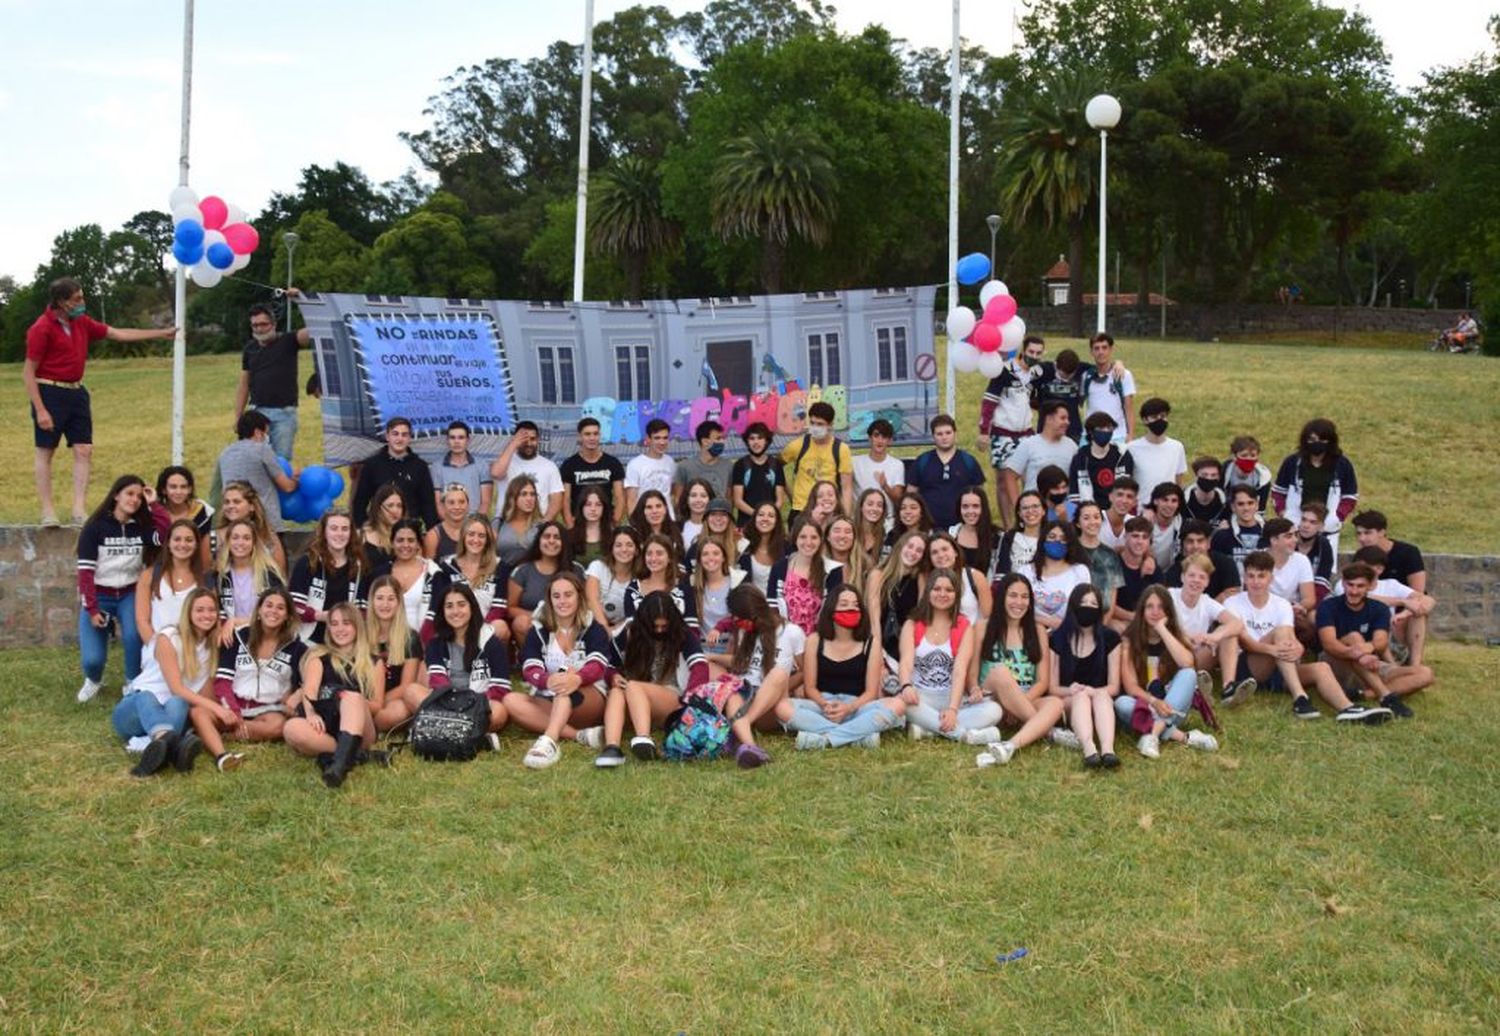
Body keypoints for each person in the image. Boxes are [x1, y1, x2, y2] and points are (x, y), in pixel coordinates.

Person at [24, 276, 175, 525]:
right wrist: (41, 409)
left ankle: (78, 509)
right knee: (45, 452)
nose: (82, 302)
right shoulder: (41, 328)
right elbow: (28, 371)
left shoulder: (81, 322)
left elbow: (117, 333)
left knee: (84, 449)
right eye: (77, 299)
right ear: (62, 302)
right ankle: (48, 511)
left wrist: (160, 333)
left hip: (76, 392)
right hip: (50, 392)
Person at [1223, 551, 1391, 723]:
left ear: (1270, 579)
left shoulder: (1281, 604)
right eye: (1251, 576)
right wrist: (1273, 649)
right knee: (1279, 632)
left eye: (1261, 576)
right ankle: (1300, 698)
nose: (1256, 582)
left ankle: (1347, 708)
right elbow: (1245, 642)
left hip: (1281, 666)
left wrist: (1298, 648)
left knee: (1322, 667)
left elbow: (1290, 636)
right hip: (1251, 666)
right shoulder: (1232, 603)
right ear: (1244, 578)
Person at [511, 572, 616, 769]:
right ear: (549, 600)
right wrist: (547, 680)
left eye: (568, 595)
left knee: (565, 684)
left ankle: (548, 742)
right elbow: (530, 667)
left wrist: (576, 678)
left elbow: (597, 665)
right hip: (549, 697)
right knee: (511, 701)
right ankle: (580, 735)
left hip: (587, 696)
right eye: (556, 596)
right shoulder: (539, 628)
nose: (562, 601)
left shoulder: (593, 627)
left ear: (579, 596)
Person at [112, 587, 220, 777]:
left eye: (211, 610)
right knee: (147, 696)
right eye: (200, 610)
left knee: (179, 703)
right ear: (189, 612)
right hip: (134, 712)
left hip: (170, 713)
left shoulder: (211, 649)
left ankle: (159, 752)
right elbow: (176, 688)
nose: (207, 615)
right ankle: (173, 745)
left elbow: (201, 695)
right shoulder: (169, 636)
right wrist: (218, 709)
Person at [779, 587, 905, 750]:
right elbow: (810, 688)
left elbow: (871, 693)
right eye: (844, 604)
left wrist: (848, 708)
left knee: (898, 705)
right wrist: (826, 705)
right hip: (823, 706)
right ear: (831, 609)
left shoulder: (870, 643)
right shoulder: (814, 640)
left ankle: (824, 740)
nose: (850, 609)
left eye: (855, 605)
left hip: (857, 707)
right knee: (782, 706)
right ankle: (857, 737)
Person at [196, 587, 308, 771]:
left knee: (278, 726)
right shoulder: (237, 637)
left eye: (280, 608)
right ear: (259, 610)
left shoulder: (297, 648)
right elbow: (223, 681)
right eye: (268, 605)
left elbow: (305, 683)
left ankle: (218, 736)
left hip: (268, 710)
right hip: (232, 706)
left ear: (288, 615)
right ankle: (222, 751)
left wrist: (296, 694)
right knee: (199, 713)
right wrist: (232, 712)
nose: (273, 611)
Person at [971, 574, 1075, 767]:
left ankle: (1009, 746)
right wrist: (974, 689)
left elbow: (1043, 681)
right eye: (1013, 595)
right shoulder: (982, 627)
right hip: (994, 701)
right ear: (1002, 597)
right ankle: (1049, 731)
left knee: (1054, 703)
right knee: (1001, 671)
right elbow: (973, 671)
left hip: (1027, 699)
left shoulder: (1038, 631)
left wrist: (1018, 704)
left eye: (1024, 597)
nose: (1019, 602)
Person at [596, 592, 709, 765]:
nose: (659, 631)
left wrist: (690, 699)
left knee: (633, 686)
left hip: (671, 700)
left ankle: (643, 738)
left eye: (664, 627)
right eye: (654, 627)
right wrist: (614, 677)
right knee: (617, 691)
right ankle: (612, 748)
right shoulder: (629, 633)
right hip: (635, 698)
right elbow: (609, 665)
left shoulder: (683, 634)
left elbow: (700, 667)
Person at [283, 602, 384, 788]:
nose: (340, 629)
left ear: (356, 626)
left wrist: (351, 704)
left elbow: (377, 705)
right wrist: (312, 714)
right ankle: (356, 756)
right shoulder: (319, 657)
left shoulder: (374, 662)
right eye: (334, 624)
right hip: (327, 726)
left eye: (346, 623)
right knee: (291, 728)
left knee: (351, 697)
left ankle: (338, 767)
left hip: (361, 729)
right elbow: (310, 691)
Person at [1316, 562, 1434, 719]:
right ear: (1343, 583)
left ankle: (1364, 694)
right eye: (1350, 585)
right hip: (1337, 663)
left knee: (1426, 673)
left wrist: (1367, 649)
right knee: (1353, 637)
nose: (1354, 591)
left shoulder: (1379, 608)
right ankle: (1387, 697)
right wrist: (1357, 653)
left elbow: (1381, 642)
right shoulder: (1328, 606)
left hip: (1369, 664)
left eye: (1360, 586)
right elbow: (1329, 644)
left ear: (1370, 587)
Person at [700, 583, 798, 767]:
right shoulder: (748, 631)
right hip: (745, 693)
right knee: (728, 687)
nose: (736, 620)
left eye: (739, 616)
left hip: (768, 701)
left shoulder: (791, 632)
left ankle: (736, 730)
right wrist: (712, 657)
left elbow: (803, 674)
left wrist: (780, 688)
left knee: (777, 674)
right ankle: (750, 748)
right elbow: (741, 662)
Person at [1117, 587, 1219, 759]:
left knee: (1189, 674)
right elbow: (1131, 687)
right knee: (1121, 703)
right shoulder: (1128, 640)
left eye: (1161, 607)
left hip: (1174, 707)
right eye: (1150, 606)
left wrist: (1162, 630)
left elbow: (1187, 663)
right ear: (1141, 610)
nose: (1155, 611)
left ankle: (1152, 736)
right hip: (1145, 707)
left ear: (1168, 611)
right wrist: (1154, 702)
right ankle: (1184, 736)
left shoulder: (1176, 635)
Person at [897, 568, 998, 744]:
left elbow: (960, 670)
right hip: (920, 696)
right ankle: (965, 736)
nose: (942, 594)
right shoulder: (912, 623)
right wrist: (906, 686)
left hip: (951, 696)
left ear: (956, 595)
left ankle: (929, 730)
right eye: (937, 589)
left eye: (949, 590)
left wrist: (952, 709)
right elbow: (906, 662)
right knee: (900, 703)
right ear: (928, 591)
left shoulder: (964, 626)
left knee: (995, 710)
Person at [76, 475, 153, 703]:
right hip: (99, 595)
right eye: (130, 494)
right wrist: (91, 609)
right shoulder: (95, 527)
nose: (135, 499)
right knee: (92, 660)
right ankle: (93, 680)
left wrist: (154, 503)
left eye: (140, 496)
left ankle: (132, 682)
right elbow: (86, 573)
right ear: (116, 495)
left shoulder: (141, 528)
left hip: (130, 593)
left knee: (132, 636)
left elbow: (163, 535)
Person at [407, 583, 511, 740]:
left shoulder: (490, 641)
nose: (455, 611)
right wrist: (455, 705)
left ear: (472, 607)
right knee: (412, 691)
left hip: (478, 704)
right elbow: (438, 683)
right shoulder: (436, 644)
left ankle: (439, 729)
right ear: (443, 611)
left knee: (499, 712)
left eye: (461, 605)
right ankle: (472, 735)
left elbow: (500, 688)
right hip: (446, 703)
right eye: (449, 606)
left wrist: (471, 705)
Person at [1048, 584, 1123, 769]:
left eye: (1093, 603)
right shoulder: (1057, 638)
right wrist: (1071, 689)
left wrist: (1094, 691)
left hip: (1100, 699)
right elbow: (1052, 687)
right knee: (1080, 696)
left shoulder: (1111, 638)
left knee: (1101, 695)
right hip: (1068, 701)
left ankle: (1108, 750)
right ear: (1073, 605)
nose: (1087, 607)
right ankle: (1089, 750)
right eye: (1083, 602)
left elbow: (1114, 686)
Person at [1168, 554, 1252, 706]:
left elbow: (1237, 624)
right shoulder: (1169, 596)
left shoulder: (1206, 601)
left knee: (1229, 634)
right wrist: (1188, 638)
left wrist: (1214, 636)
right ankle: (1193, 689)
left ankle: (1228, 688)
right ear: (1182, 577)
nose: (1196, 580)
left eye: (1201, 577)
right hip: (1171, 657)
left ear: (1207, 582)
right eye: (1191, 575)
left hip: (1197, 657)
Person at [235, 298, 310, 460]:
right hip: (257, 412)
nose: (259, 329)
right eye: (255, 325)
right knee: (254, 460)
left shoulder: (289, 341)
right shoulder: (250, 348)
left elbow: (314, 330)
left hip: (284, 414)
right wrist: (238, 416)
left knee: (280, 462)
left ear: (274, 324)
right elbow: (244, 384)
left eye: (264, 324)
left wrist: (302, 300)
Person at [1272, 418, 1358, 552]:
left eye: (1322, 440)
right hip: (1295, 528)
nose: (1316, 444)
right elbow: (1278, 492)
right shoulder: (1292, 463)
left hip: (1328, 530)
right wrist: (1284, 513)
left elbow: (1350, 496)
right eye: (1312, 439)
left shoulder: (1342, 465)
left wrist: (1337, 517)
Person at [1346, 545, 1435, 668]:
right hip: (1360, 636)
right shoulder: (1347, 585)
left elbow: (1428, 600)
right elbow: (1364, 598)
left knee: (1418, 614)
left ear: (1379, 569)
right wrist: (1403, 602)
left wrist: (1405, 613)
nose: (1359, 571)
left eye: (1365, 567)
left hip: (1390, 637)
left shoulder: (1390, 585)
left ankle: (1415, 666)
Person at [977, 345, 1036, 526]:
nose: (1034, 356)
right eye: (1031, 352)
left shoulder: (1038, 373)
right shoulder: (1003, 371)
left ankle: (1029, 522)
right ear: (1022, 351)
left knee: (1030, 480)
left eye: (1038, 352)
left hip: (1027, 433)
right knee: (1003, 482)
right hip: (1003, 433)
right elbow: (989, 402)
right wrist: (983, 432)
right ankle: (1008, 526)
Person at [214, 410, 300, 534]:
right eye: (267, 433)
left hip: (235, 523)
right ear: (258, 432)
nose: (267, 437)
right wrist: (296, 480)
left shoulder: (225, 453)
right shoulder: (262, 450)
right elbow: (286, 487)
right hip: (265, 524)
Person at [288, 508, 365, 643]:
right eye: (334, 528)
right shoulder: (307, 563)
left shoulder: (359, 566)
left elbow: (364, 610)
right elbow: (293, 607)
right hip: (310, 640)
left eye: (344, 529)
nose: (339, 534)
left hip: (347, 642)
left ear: (351, 533)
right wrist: (319, 616)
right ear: (324, 532)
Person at [351, 417, 439, 532]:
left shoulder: (420, 467)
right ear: (387, 436)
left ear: (409, 438)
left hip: (410, 530)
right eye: (395, 434)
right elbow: (360, 502)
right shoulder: (371, 465)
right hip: (379, 529)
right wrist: (362, 528)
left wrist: (431, 532)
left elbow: (428, 505)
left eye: (404, 435)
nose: (399, 439)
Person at [365, 575, 427, 733]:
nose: (385, 604)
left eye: (391, 599)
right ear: (371, 601)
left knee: (399, 712)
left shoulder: (410, 637)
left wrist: (380, 702)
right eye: (379, 598)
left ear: (399, 603)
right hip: (365, 698)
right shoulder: (361, 634)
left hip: (393, 698)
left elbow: (406, 685)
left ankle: (368, 723)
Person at [506, 520, 581, 649]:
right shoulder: (523, 570)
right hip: (534, 621)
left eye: (557, 537)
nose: (551, 541)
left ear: (564, 542)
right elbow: (510, 608)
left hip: (569, 622)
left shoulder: (576, 570)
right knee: (520, 623)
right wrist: (541, 616)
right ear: (539, 541)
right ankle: (531, 662)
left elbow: (586, 603)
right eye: (546, 537)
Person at [136, 519, 208, 649]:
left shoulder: (205, 579)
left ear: (197, 544)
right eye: (177, 539)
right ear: (168, 543)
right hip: (158, 651)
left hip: (195, 651)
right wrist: (156, 649)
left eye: (189, 540)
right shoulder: (149, 575)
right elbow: (142, 621)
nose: (183, 544)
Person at [214, 518, 286, 646]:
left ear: (254, 543)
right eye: (235, 538)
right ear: (228, 542)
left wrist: (237, 621)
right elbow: (215, 612)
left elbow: (278, 613)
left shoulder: (269, 575)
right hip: (231, 640)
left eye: (246, 538)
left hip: (265, 637)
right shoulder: (219, 576)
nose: (240, 542)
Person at [767, 517, 844, 635]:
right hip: (786, 638)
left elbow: (833, 611)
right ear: (795, 539)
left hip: (819, 639)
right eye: (803, 537)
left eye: (814, 537)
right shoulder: (779, 567)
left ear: (820, 540)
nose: (808, 542)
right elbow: (772, 608)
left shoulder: (832, 571)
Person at [441, 515, 510, 643]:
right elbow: (443, 604)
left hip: (487, 626)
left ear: (488, 540)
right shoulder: (448, 566)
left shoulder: (500, 566)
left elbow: (499, 608)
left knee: (501, 626)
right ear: (463, 537)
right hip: (456, 624)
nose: (476, 540)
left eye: (481, 536)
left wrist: (478, 630)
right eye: (471, 534)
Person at [1001, 401, 1077, 518]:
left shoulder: (1071, 445)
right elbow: (1010, 475)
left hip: (1062, 511)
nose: (1067, 422)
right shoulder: (1029, 444)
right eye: (1062, 418)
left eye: (1068, 419)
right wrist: (1018, 506)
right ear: (1049, 419)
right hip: (1034, 511)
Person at [780, 400, 854, 518]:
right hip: (801, 509)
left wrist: (845, 517)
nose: (815, 428)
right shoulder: (797, 445)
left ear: (830, 425)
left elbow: (847, 487)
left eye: (820, 424)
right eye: (813, 423)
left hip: (829, 510)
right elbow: (776, 468)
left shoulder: (841, 449)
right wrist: (790, 494)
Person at [869, 530, 928, 667]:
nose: (913, 553)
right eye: (910, 546)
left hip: (907, 646)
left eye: (919, 551)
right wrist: (877, 652)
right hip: (880, 643)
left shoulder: (920, 578)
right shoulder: (878, 575)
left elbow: (920, 617)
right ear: (901, 546)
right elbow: (874, 616)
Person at [491, 420, 564, 521]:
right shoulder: (506, 462)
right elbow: (496, 473)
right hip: (506, 522)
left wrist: (545, 522)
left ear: (538, 440)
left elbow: (556, 499)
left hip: (536, 523)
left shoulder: (550, 466)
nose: (529, 443)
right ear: (515, 439)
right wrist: (513, 444)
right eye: (524, 440)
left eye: (533, 439)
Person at [1025, 520, 1092, 631]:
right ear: (1043, 540)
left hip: (1069, 633)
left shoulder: (1080, 571)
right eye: (1052, 536)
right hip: (1031, 631)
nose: (1057, 541)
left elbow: (1083, 608)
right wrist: (1048, 622)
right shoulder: (1025, 571)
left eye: (1063, 538)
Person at [623, 533, 697, 632]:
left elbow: (692, 627)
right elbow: (632, 629)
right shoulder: (634, 589)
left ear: (670, 557)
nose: (653, 558)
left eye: (659, 553)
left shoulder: (684, 587)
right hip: (642, 645)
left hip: (678, 645)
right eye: (649, 554)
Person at [560, 417, 627, 526]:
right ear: (580, 436)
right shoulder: (569, 465)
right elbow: (565, 500)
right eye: (587, 434)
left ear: (600, 436)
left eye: (595, 434)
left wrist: (614, 524)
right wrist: (570, 526)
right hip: (578, 524)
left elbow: (620, 497)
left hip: (606, 523)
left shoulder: (613, 463)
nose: (592, 438)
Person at [1263, 517, 1318, 645]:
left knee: (1311, 623)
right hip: (1264, 610)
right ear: (1274, 540)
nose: (1295, 540)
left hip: (1292, 611)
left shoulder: (1301, 560)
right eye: (1289, 536)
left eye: (1295, 535)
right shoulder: (1258, 559)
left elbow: (1309, 598)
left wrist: (1300, 607)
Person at [383, 519, 443, 635]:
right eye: (400, 540)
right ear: (392, 543)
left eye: (411, 540)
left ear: (418, 544)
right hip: (387, 643)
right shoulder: (381, 573)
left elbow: (439, 612)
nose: (405, 545)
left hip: (425, 643)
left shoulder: (434, 573)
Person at [216, 481, 287, 575]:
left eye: (236, 502)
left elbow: (280, 571)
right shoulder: (216, 536)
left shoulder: (266, 534)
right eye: (227, 502)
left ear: (251, 506)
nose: (230, 506)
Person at [1123, 398, 1187, 501]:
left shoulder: (1177, 447)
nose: (1159, 420)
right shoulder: (1131, 448)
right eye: (1154, 417)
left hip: (1167, 509)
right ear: (1145, 420)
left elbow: (1179, 481)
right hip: (1141, 510)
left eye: (1163, 416)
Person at [1160, 520, 1240, 601]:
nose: (1195, 546)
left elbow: (1233, 595)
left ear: (1208, 543)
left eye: (1200, 541)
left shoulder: (1226, 563)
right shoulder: (1174, 572)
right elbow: (1171, 602)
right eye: (1190, 541)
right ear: (1183, 545)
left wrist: (1208, 610)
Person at [152, 465, 214, 569]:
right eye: (173, 487)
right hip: (159, 570)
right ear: (164, 490)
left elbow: (205, 554)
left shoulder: (202, 513)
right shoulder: (155, 513)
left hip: (192, 570)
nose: (178, 492)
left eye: (183, 487)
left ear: (190, 489)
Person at [1068, 411, 1133, 509]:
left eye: (1109, 428)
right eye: (1101, 428)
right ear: (1091, 431)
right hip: (1090, 514)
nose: (1106, 431)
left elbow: (1128, 489)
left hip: (1116, 512)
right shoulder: (1080, 457)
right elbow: (1075, 495)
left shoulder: (1122, 454)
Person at [692, 536, 746, 653]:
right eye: (705, 554)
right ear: (700, 559)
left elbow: (746, 619)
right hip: (703, 650)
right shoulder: (693, 587)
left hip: (733, 650)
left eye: (716, 553)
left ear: (723, 558)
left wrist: (720, 628)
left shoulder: (737, 583)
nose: (710, 558)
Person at [925, 531, 991, 627]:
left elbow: (988, 618)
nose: (940, 555)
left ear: (955, 552)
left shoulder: (974, 577)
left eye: (945, 549)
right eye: (934, 552)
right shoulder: (929, 581)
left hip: (974, 637)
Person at [429, 422, 493, 520]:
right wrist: (451, 525)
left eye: (461, 437)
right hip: (448, 522)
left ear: (468, 440)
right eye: (452, 438)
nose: (456, 441)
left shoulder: (481, 465)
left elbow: (486, 502)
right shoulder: (437, 467)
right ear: (447, 441)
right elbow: (438, 504)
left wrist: (473, 525)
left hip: (474, 522)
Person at [1351, 511, 1427, 593]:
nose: (1361, 538)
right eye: (1358, 533)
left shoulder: (1408, 553)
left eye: (1367, 533)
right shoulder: (1361, 555)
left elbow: (1418, 592)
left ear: (1382, 532)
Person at [729, 421, 787, 527]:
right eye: (752, 438)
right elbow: (738, 500)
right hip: (746, 523)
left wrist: (767, 516)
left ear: (766, 441)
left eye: (760, 438)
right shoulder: (740, 465)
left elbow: (779, 500)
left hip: (770, 523)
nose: (756, 442)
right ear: (747, 442)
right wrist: (757, 515)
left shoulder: (776, 464)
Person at [1106, 517, 1160, 633]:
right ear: (1125, 537)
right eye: (1135, 536)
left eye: (1144, 537)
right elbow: (1107, 603)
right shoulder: (1111, 564)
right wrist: (1133, 617)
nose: (1140, 541)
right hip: (1118, 622)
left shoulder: (1153, 567)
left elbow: (1161, 601)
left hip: (1145, 624)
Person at [1081, 332, 1136, 441]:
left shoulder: (1123, 375)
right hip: (1090, 435)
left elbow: (1129, 408)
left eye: (1104, 348)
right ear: (1091, 352)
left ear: (1111, 349)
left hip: (1117, 435)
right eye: (1096, 348)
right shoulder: (1086, 376)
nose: (1101, 352)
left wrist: (1130, 435)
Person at [1075, 500, 1124, 610]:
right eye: (1086, 518)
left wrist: (1104, 624)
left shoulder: (1110, 554)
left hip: (1103, 616)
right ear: (1078, 523)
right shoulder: (1071, 551)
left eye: (1096, 517)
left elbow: (1113, 595)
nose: (1093, 522)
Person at [1028, 345, 1085, 441]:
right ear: (1056, 365)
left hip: (1072, 430)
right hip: (1046, 430)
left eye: (1069, 376)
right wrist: (1036, 403)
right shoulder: (1043, 370)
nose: (1066, 379)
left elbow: (1102, 369)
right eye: (1062, 375)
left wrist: (1118, 364)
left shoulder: (1081, 369)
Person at [852, 418, 906, 519]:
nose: (880, 440)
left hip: (887, 521)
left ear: (890, 441)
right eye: (876, 435)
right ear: (869, 438)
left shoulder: (897, 464)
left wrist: (885, 486)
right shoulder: (854, 462)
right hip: (859, 520)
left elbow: (899, 499)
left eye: (884, 437)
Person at [624, 419, 678, 516]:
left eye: (665, 438)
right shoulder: (635, 464)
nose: (662, 442)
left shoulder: (670, 462)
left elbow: (673, 491)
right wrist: (635, 524)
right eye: (657, 438)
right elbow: (631, 500)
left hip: (668, 521)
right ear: (648, 439)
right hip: (645, 521)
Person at [673, 420, 732, 507]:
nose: (722, 442)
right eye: (718, 438)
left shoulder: (728, 466)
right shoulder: (685, 467)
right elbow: (678, 499)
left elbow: (729, 497)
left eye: (723, 438)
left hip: (718, 518)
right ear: (705, 441)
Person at [1210, 486, 1268, 575]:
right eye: (1241, 504)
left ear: (1257, 505)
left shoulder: (1269, 532)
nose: (1246, 508)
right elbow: (1214, 569)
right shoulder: (1222, 535)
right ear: (1233, 507)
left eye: (1250, 503)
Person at [495, 474, 543, 568]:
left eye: (532, 494)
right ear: (513, 497)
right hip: (502, 577)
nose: (529, 499)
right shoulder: (498, 524)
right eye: (524, 494)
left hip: (531, 578)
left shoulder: (541, 526)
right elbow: (487, 555)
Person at [738, 503, 786, 595]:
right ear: (754, 519)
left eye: (771, 516)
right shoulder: (743, 547)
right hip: (751, 605)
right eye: (761, 515)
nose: (765, 519)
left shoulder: (786, 549)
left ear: (777, 521)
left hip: (778, 606)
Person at [994, 491, 1045, 577]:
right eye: (1025, 508)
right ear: (1019, 513)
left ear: (1044, 511)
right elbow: (1001, 572)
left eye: (1035, 506)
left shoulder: (1051, 537)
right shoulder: (1008, 538)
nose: (1030, 511)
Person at [1292, 502, 1337, 598]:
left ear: (1321, 527)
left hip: (1313, 594)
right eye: (1304, 520)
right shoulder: (1288, 541)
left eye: (1312, 522)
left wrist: (1308, 604)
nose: (1306, 525)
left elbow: (1322, 582)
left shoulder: (1324, 546)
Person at [949, 487, 998, 574]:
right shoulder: (950, 535)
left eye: (975, 506)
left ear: (984, 508)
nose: (970, 511)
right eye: (965, 507)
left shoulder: (998, 537)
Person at [359, 483, 407, 570]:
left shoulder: (407, 536)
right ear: (378, 508)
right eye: (390, 505)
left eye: (399, 506)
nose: (395, 510)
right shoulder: (363, 535)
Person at [628, 489, 684, 560]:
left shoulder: (676, 531)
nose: (654, 511)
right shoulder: (633, 535)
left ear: (665, 509)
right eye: (649, 507)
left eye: (658, 506)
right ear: (642, 511)